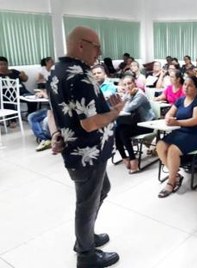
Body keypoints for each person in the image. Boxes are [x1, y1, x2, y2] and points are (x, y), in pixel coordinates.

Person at [46, 26, 123, 268]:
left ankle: (85, 236)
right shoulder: (79, 76)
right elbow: (90, 124)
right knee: (86, 203)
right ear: (81, 45)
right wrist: (114, 112)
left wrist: (57, 133)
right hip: (87, 153)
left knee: (102, 189)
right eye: (96, 46)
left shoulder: (56, 71)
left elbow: (53, 112)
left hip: (80, 152)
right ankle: (86, 254)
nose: (99, 53)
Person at [156, 76, 197, 198]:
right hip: (181, 132)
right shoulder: (180, 100)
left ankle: (171, 183)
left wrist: (177, 123)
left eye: (190, 85)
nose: (186, 87)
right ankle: (175, 176)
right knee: (160, 145)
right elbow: (170, 113)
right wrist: (168, 118)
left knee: (173, 149)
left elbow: (196, 120)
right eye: (185, 84)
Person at [115, 75, 155, 174]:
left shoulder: (140, 95)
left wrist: (127, 97)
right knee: (117, 129)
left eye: (129, 83)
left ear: (134, 83)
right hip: (135, 123)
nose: (127, 86)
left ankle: (133, 160)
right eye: (125, 84)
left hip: (147, 124)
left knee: (123, 132)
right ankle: (125, 157)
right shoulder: (129, 93)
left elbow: (126, 108)